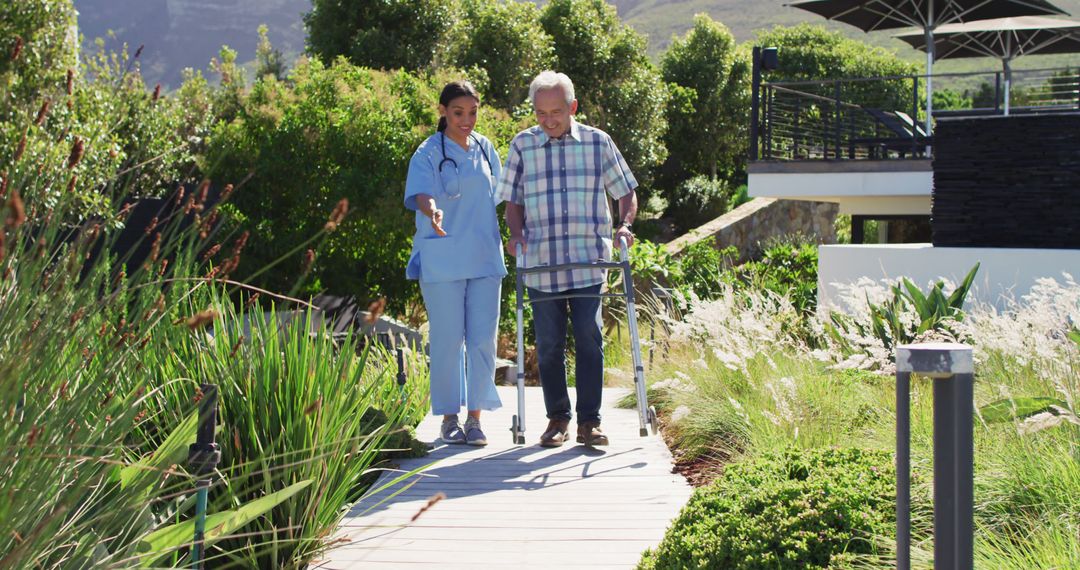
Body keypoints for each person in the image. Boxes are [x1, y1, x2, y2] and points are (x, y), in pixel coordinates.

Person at [495, 71, 638, 448]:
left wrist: (624, 225)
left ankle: (590, 422)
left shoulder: (597, 142)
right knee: (548, 344)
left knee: (589, 338)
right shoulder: (523, 145)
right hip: (543, 261)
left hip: (588, 259)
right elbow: (513, 202)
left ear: (572, 107)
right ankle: (557, 418)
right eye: (540, 113)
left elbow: (626, 191)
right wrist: (516, 234)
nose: (548, 120)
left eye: (556, 112)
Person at [404, 80, 506, 446]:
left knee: (481, 340)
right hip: (443, 257)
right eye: (459, 112)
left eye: (473, 112)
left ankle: (475, 419)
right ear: (443, 112)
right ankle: (449, 418)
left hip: (483, 256)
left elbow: (503, 194)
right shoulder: (428, 152)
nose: (467, 120)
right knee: (448, 341)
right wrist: (432, 212)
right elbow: (421, 194)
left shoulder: (486, 147)